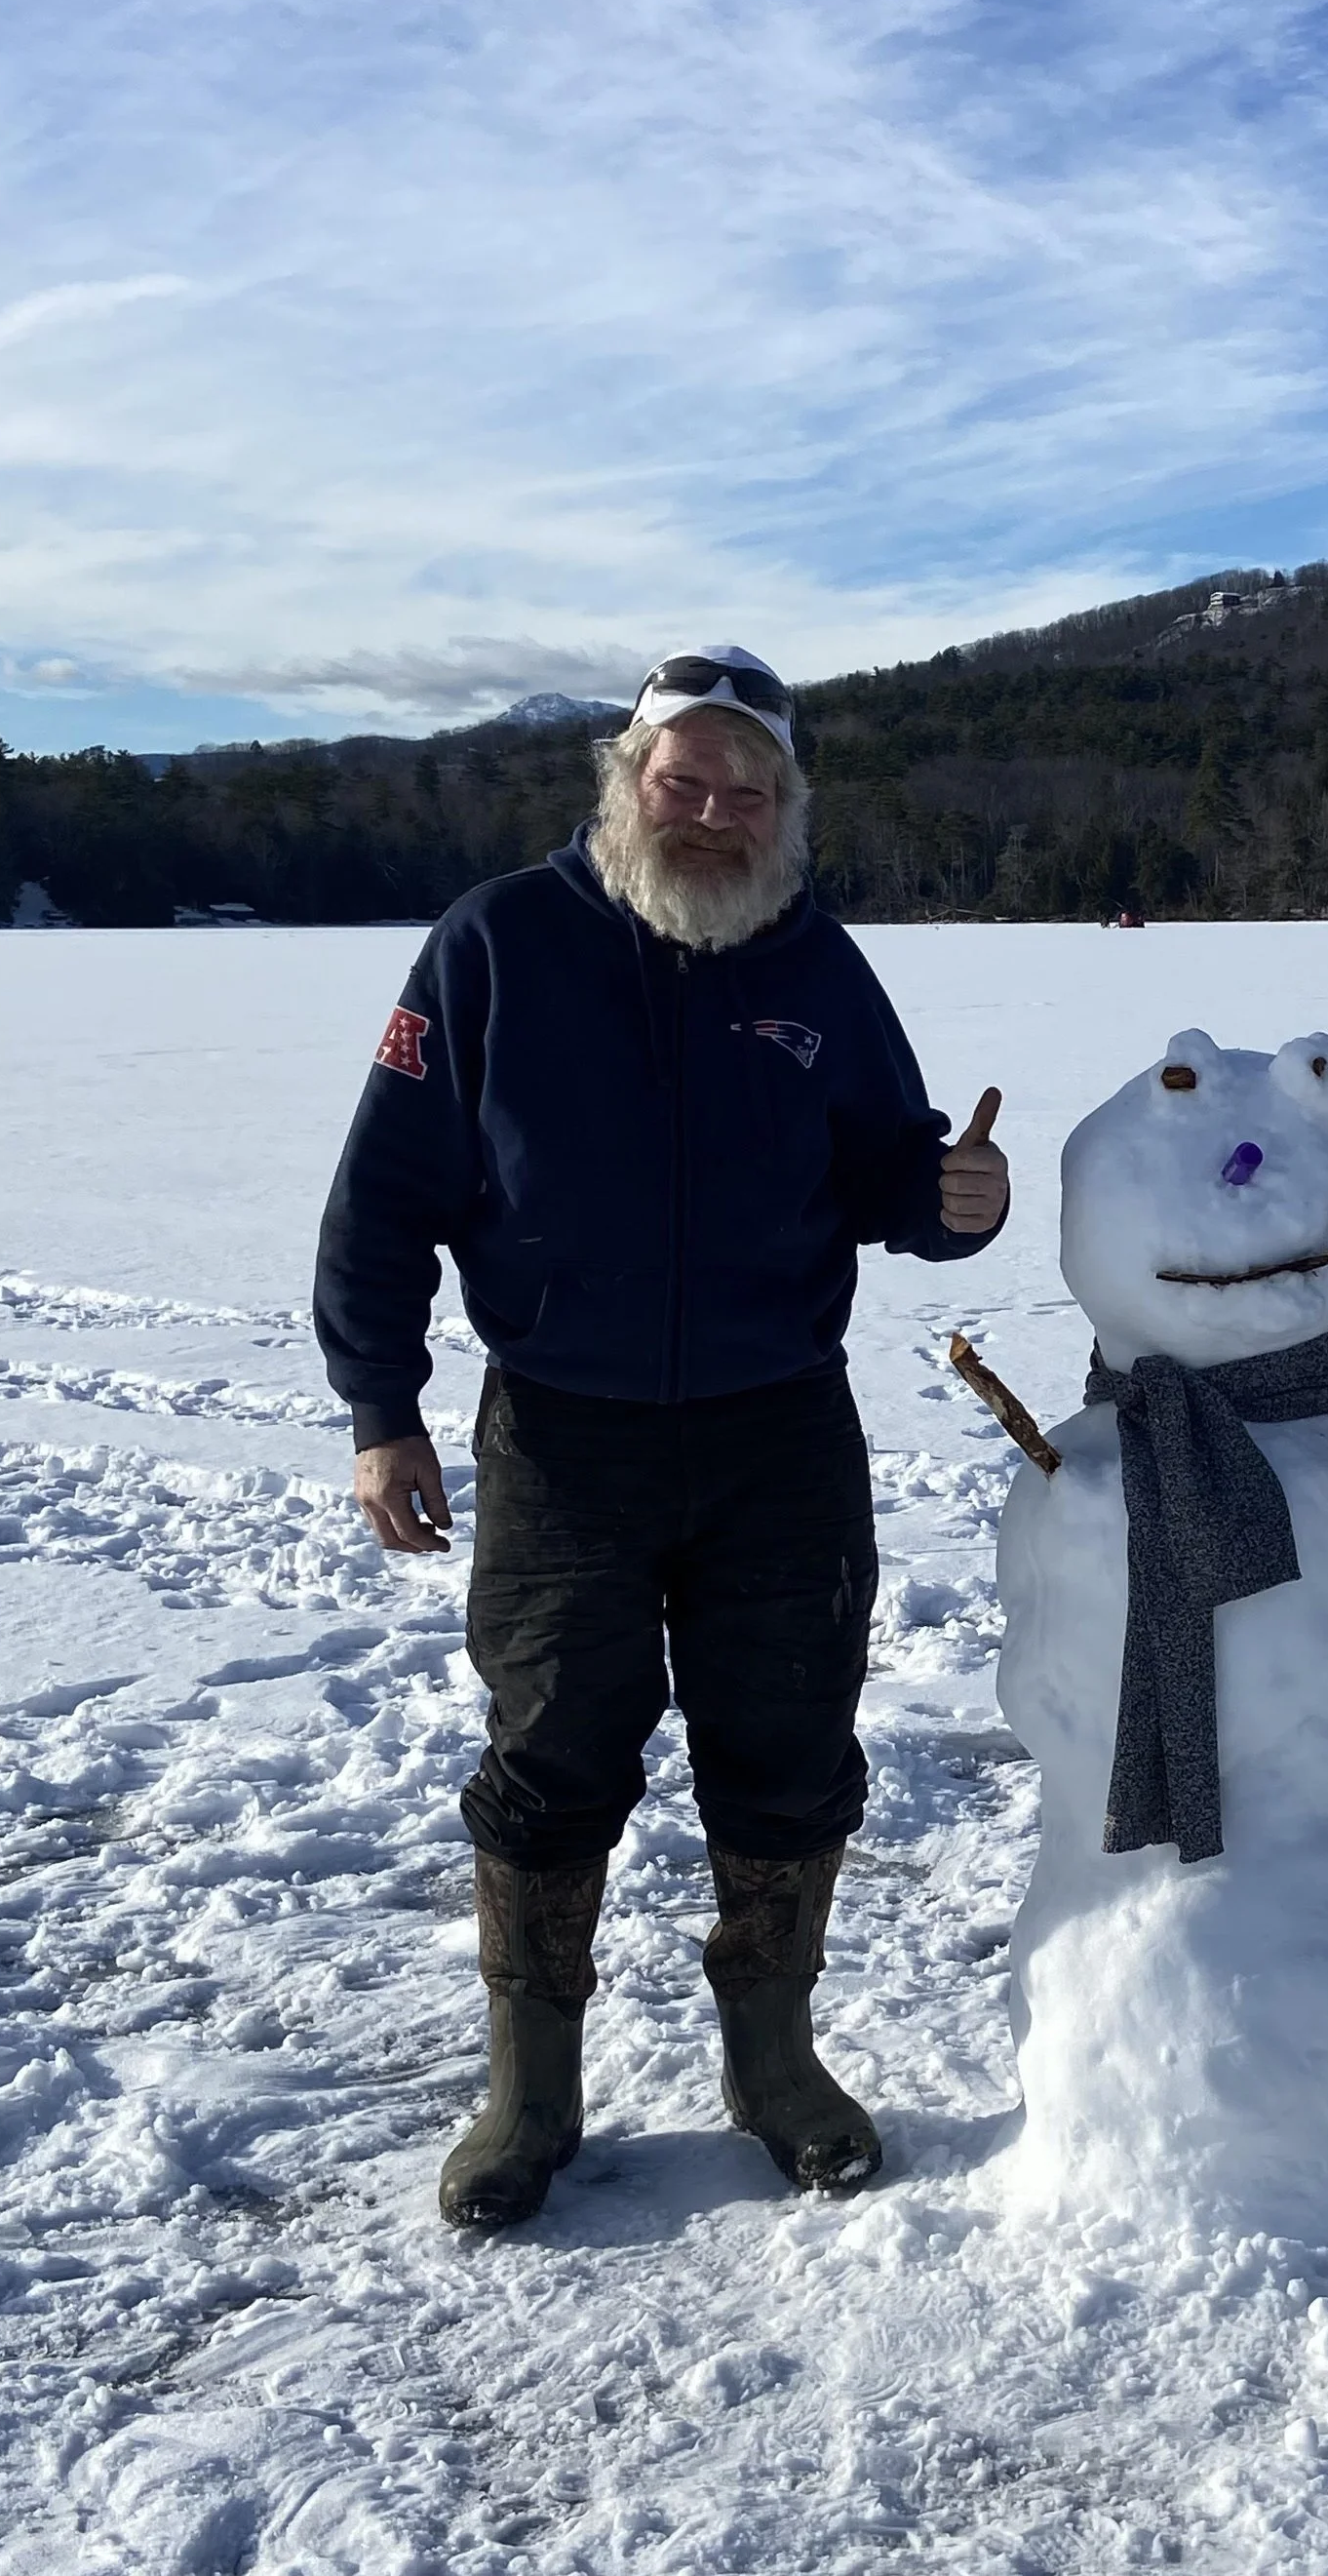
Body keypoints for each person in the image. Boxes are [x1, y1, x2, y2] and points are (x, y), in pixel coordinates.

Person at [314, 647, 1009, 2230]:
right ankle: (529, 2093)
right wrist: (381, 1410)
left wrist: (956, 1201)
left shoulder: (817, 963)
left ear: (786, 808)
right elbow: (384, 1199)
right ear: (628, 781)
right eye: (681, 782)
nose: (708, 814)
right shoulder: (497, 942)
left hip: (782, 1434)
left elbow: (892, 1173)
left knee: (790, 1755)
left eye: (743, 793)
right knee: (552, 1757)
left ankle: (774, 2064)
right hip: (565, 1438)